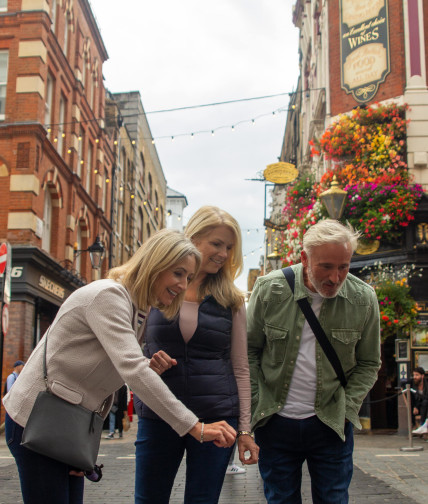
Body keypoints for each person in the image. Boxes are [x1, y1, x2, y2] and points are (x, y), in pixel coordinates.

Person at [3, 229, 236, 504]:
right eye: (178, 273)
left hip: (64, 426)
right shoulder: (109, 297)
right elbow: (132, 371)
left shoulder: (136, 307)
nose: (184, 284)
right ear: (154, 265)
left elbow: (107, 372)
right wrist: (195, 427)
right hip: (37, 421)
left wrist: (81, 447)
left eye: (188, 276)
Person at [247, 219, 381, 504]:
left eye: (343, 266)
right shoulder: (269, 289)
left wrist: (348, 407)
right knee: (280, 500)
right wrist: (258, 403)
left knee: (333, 499)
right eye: (326, 267)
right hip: (275, 422)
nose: (335, 278)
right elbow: (249, 351)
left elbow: (369, 363)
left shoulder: (363, 299)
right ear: (305, 258)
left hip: (331, 423)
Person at [134, 206, 259, 504]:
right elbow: (127, 349)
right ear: (193, 238)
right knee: (149, 499)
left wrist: (245, 429)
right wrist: (147, 364)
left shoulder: (232, 300)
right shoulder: (155, 288)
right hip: (160, 412)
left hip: (217, 416)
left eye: (229, 247)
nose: (224, 253)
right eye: (217, 243)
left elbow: (240, 367)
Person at [410, 367, 428, 434]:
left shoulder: (426, 385)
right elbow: (402, 384)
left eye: (417, 375)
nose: (415, 377)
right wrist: (415, 406)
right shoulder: (412, 384)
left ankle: (423, 425)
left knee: (425, 402)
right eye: (414, 375)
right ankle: (424, 426)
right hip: (418, 407)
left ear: (422, 376)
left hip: (425, 407)